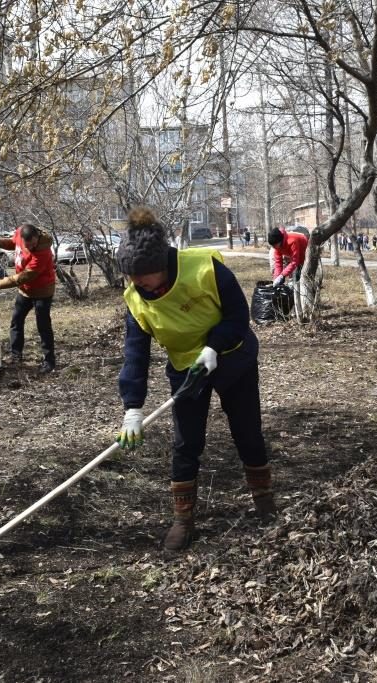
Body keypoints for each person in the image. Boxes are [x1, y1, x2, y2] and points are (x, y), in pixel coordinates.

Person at [115, 207, 275, 552]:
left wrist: (214, 347)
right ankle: (183, 519)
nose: (136, 284)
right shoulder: (135, 299)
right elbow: (136, 353)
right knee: (186, 444)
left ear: (162, 265)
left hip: (233, 359)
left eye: (142, 277)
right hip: (187, 371)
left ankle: (264, 502)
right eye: (131, 277)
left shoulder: (204, 268)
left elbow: (237, 314)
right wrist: (132, 407)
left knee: (247, 433)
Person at [0, 224, 57, 373]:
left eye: (32, 245)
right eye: (27, 245)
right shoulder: (20, 233)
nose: (30, 248)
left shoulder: (43, 252)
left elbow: (24, 276)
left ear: (37, 238)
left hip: (42, 291)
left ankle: (49, 361)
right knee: (16, 320)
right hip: (25, 291)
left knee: (43, 326)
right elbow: (14, 242)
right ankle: (16, 355)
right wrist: (1, 243)